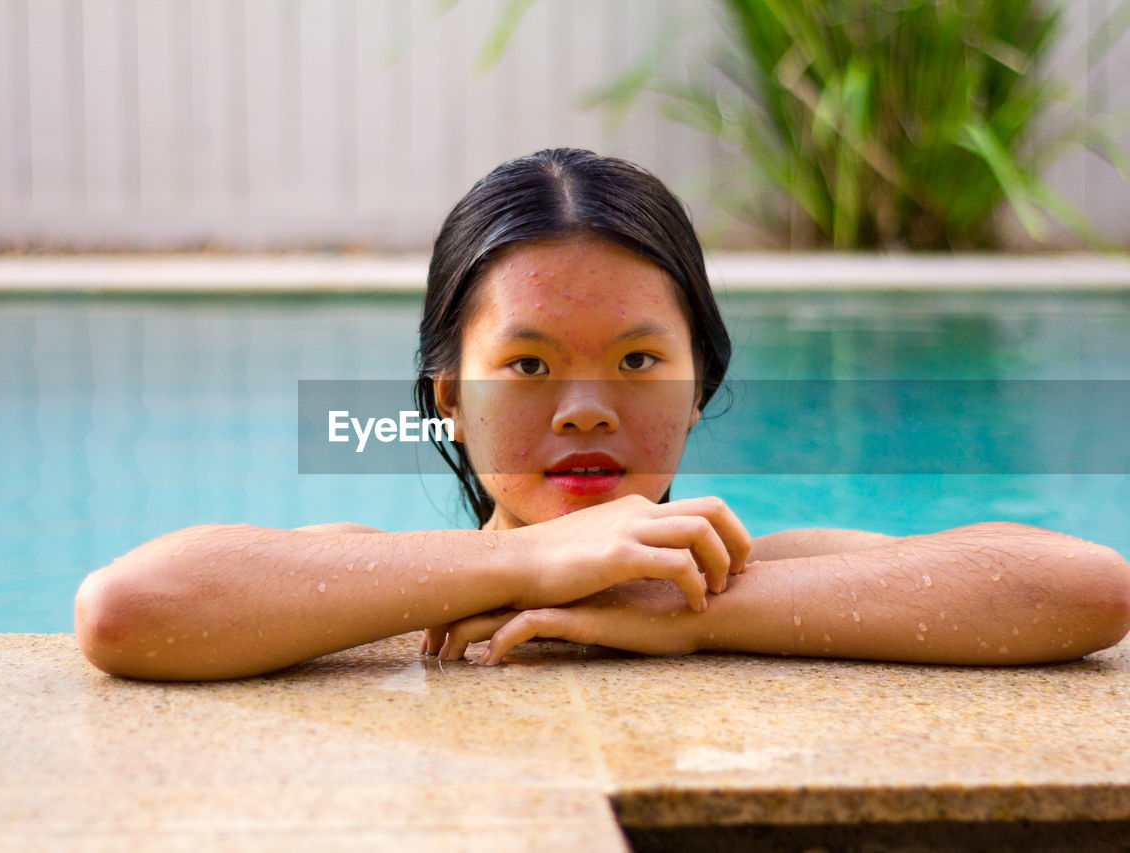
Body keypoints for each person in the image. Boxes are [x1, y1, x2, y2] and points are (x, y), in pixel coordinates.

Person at [74, 149, 1130, 679]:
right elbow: (128, 608)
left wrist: (700, 613)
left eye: (636, 359)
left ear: (698, 383)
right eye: (525, 365)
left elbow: (1084, 590)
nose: (584, 410)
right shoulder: (379, 583)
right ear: (450, 401)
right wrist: (523, 566)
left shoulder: (762, 572)